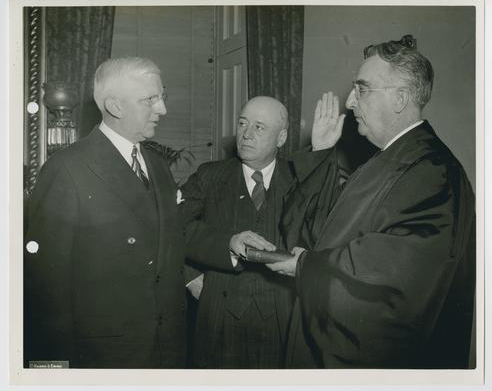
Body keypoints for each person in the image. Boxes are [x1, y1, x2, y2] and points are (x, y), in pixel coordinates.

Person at [269, 35, 476, 369]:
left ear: (400, 99)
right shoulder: (388, 162)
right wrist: (321, 154)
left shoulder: (431, 171)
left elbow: (389, 282)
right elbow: (317, 234)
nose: (350, 102)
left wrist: (305, 267)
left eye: (362, 89)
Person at [24, 57, 187, 368]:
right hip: (105, 359)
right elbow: (45, 291)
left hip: (167, 354)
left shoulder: (158, 166)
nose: (162, 109)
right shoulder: (66, 170)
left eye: (162, 96)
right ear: (115, 106)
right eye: (150, 99)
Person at [181, 96, 338, 368]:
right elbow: (173, 227)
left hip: (283, 316)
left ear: (281, 138)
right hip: (218, 315)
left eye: (259, 127)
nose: (246, 133)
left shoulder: (301, 177)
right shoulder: (209, 176)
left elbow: (325, 230)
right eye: (243, 123)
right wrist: (189, 276)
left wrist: (321, 153)